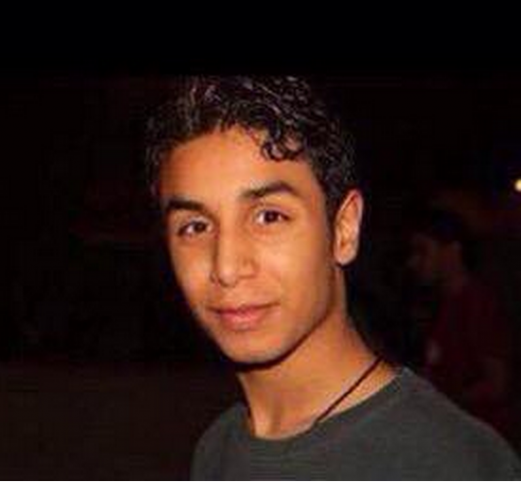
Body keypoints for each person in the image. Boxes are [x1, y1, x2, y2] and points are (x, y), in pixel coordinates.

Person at [144, 76, 521, 479]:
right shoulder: (216, 449)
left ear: (344, 230)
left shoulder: (451, 463)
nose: (226, 267)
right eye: (195, 227)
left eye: (269, 217)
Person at [407, 207, 516, 440]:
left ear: (452, 251)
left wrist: (443, 401)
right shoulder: (439, 305)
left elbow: (496, 385)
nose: (414, 262)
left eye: (423, 250)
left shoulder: (479, 304)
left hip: (484, 442)